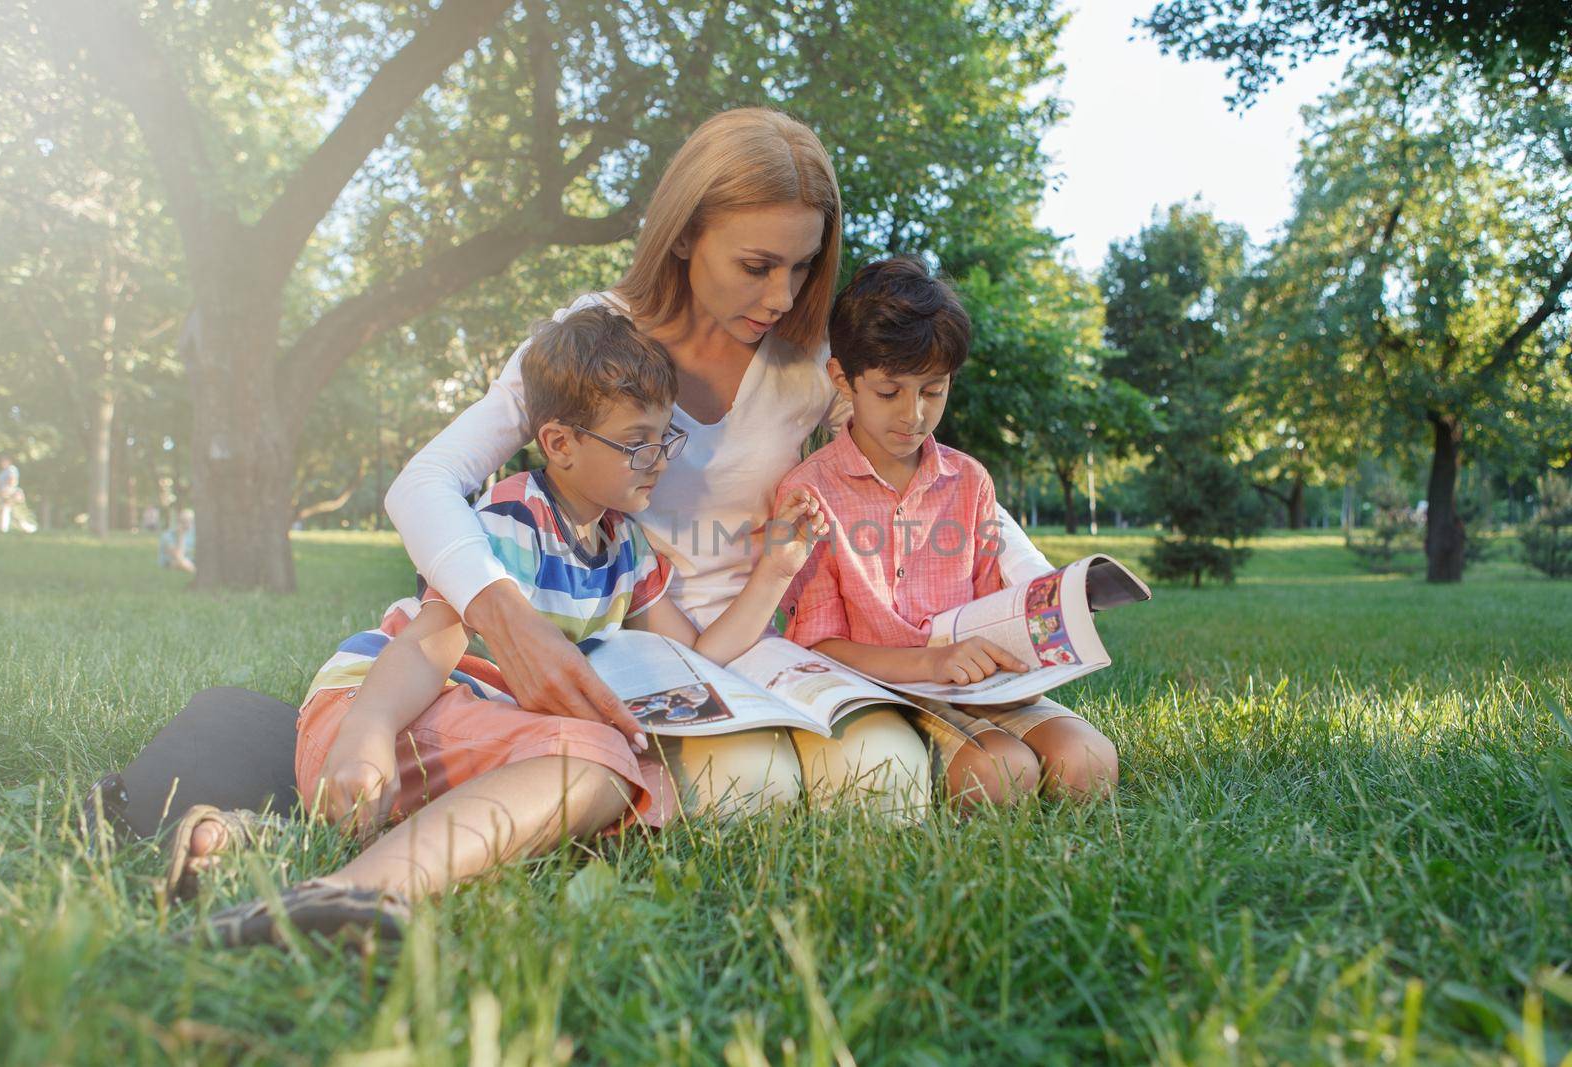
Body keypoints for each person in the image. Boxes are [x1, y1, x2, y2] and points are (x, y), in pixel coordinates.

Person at [148, 106, 1056, 880]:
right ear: (689, 231)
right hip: (620, 643)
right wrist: (511, 622)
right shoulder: (593, 345)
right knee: (754, 795)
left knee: (885, 784)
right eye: (755, 264)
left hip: (744, 646)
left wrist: (1040, 589)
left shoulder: (808, 365)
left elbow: (920, 454)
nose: (781, 295)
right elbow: (427, 481)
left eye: (801, 266)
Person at [183, 308, 827, 945]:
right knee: (597, 760)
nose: (658, 460)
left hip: (460, 743)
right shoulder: (511, 519)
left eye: (665, 438)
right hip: (381, 710)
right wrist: (368, 730)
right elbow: (425, 650)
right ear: (560, 444)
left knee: (644, 777)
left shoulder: (625, 545)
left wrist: (773, 573)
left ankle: (268, 842)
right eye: (638, 442)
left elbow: (697, 656)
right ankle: (350, 895)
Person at [775, 257, 1119, 807]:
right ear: (842, 379)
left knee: (1089, 763)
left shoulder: (969, 481)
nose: (913, 415)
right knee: (1003, 775)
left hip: (978, 682)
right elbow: (820, 645)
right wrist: (930, 663)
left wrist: (1049, 622)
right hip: (883, 691)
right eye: (890, 392)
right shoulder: (810, 492)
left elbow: (993, 605)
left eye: (933, 391)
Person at [0, 456, 37, 534]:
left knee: (15, 512)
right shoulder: (3, 472)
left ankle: (28, 528)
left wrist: (7, 490)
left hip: (11, 493)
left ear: (9, 461)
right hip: (5, 493)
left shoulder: (11, 469)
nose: (2, 463)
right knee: (7, 511)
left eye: (4, 461)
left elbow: (12, 480)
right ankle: (4, 528)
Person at [158, 509, 196, 574]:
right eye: (183, 521)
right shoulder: (167, 536)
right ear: (178, 522)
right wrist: (181, 536)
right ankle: (197, 572)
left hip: (190, 560)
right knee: (180, 562)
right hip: (171, 562)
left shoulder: (193, 533)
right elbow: (178, 556)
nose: (187, 524)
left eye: (190, 521)